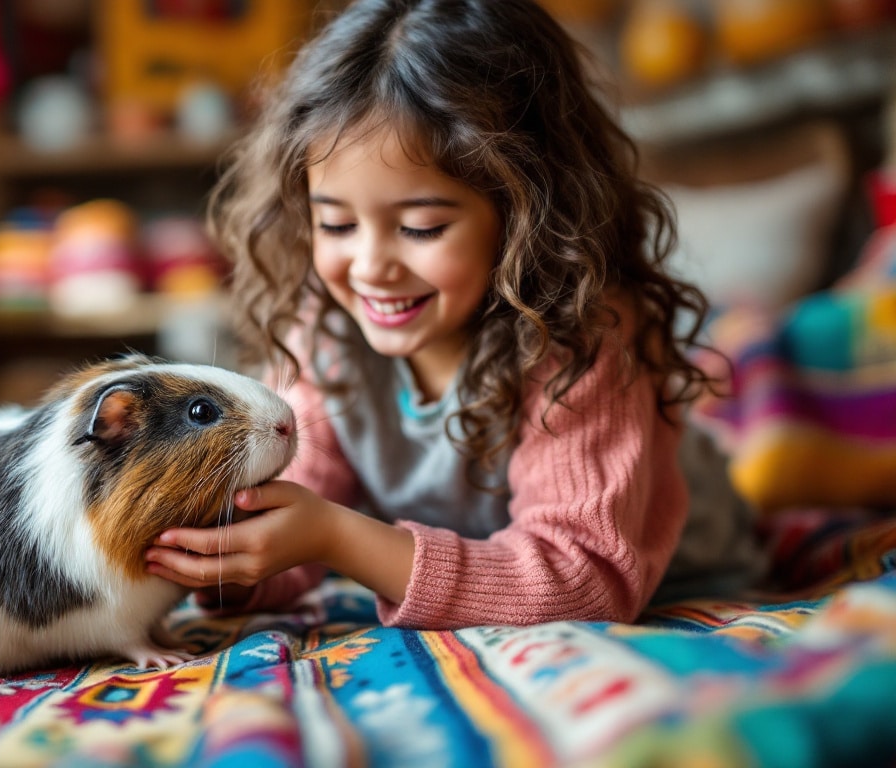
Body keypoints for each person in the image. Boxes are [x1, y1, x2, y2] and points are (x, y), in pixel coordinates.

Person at [144, 0, 764, 628]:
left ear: (527, 213)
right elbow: (304, 497)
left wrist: (336, 539)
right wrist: (228, 560)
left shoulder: (585, 340)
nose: (369, 266)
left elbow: (583, 581)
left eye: (420, 228)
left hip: (674, 569)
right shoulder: (328, 330)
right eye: (336, 223)